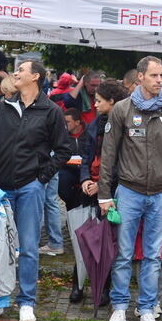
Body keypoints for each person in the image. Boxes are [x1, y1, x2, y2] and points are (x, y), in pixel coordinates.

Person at [0, 59, 71, 321]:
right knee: (1, 248)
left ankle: (27, 301)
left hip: (30, 189)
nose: (15, 73)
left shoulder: (51, 111)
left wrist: (40, 178)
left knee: (29, 247)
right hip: (1, 189)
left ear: (36, 77)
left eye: (21, 70)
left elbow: (64, 150)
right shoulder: (4, 107)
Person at [99, 56, 162, 321]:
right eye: (154, 76)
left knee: (153, 257)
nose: (159, 80)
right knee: (123, 254)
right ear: (140, 77)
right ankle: (120, 308)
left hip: (161, 195)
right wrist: (104, 195)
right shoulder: (122, 109)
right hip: (128, 192)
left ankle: (147, 309)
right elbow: (108, 154)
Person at [78, 78, 129, 305]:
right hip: (92, 188)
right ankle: (81, 284)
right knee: (89, 237)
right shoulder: (94, 125)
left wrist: (104, 185)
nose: (95, 105)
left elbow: (124, 162)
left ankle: (106, 287)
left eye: (99, 101)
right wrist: (86, 179)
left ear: (112, 101)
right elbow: (85, 155)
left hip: (115, 190)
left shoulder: (125, 126)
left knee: (110, 241)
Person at [58, 107, 93, 301]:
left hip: (91, 184)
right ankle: (78, 285)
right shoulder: (64, 137)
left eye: (69, 122)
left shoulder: (90, 134)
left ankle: (100, 287)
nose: (66, 126)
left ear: (78, 122)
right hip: (71, 181)